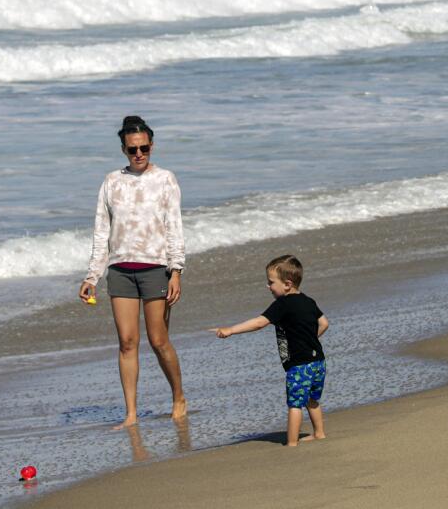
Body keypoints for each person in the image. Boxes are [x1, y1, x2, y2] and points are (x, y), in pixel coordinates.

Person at [79, 115, 187, 428]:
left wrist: (176, 269)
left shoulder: (166, 179)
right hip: (120, 270)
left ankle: (178, 396)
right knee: (127, 343)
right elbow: (102, 232)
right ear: (124, 149)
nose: (138, 154)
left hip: (156, 268)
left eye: (143, 148)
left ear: (152, 146)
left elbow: (174, 226)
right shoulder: (111, 181)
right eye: (132, 150)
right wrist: (92, 276)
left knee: (158, 340)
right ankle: (131, 414)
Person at [212, 254, 329, 447]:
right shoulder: (308, 301)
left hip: (299, 365)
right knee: (312, 398)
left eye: (271, 282)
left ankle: (292, 443)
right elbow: (324, 323)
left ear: (287, 284)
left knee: (295, 404)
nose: (268, 286)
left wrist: (231, 330)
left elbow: (259, 323)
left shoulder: (282, 304)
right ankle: (319, 433)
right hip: (319, 361)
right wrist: (311, 339)